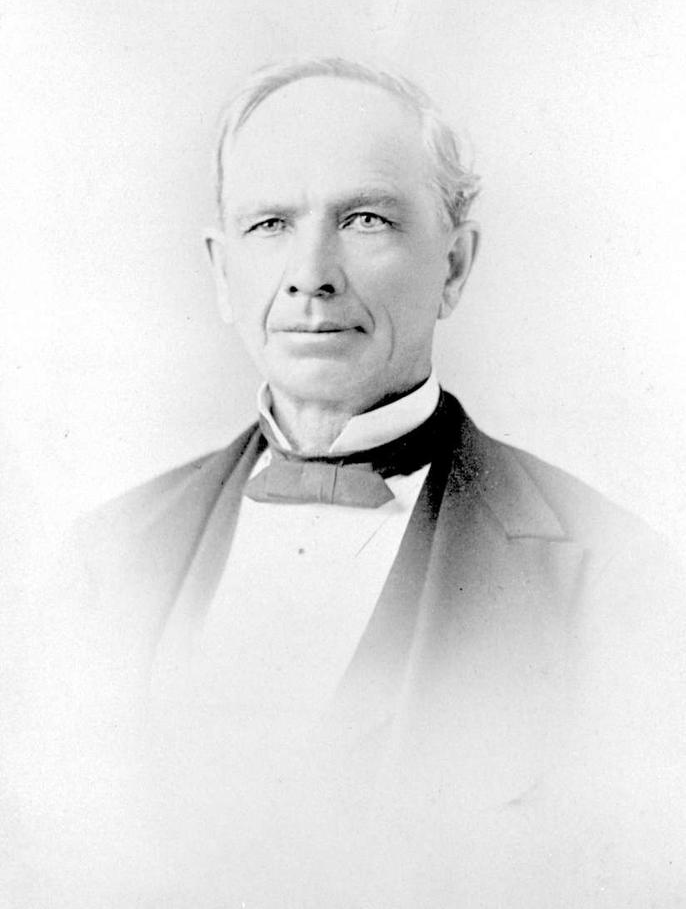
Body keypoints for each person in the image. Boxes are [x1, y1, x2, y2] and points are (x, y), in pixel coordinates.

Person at [58, 58, 686, 907]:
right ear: (219, 270)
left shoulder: (618, 584)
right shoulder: (95, 566)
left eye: (365, 218)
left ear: (455, 267)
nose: (310, 272)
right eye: (270, 222)